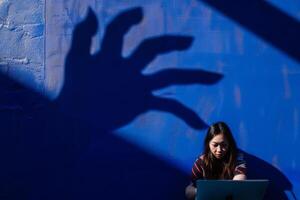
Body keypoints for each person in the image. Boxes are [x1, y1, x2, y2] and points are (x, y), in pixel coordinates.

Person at [185, 122, 247, 200]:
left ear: (229, 144)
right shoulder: (201, 162)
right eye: (215, 145)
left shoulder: (237, 158)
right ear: (208, 144)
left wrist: (231, 189)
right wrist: (202, 192)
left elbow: (240, 179)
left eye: (223, 145)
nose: (219, 150)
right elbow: (189, 190)